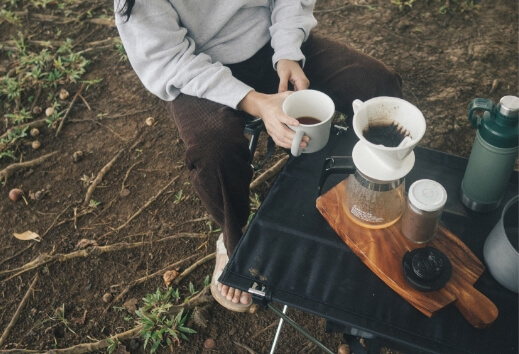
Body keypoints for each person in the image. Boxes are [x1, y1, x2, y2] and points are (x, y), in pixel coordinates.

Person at [114, 0, 402, 312]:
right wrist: (257, 102)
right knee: (215, 146)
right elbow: (167, 58)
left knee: (377, 84)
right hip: (195, 67)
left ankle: (370, 185)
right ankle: (232, 239)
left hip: (270, 38)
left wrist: (288, 52)